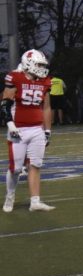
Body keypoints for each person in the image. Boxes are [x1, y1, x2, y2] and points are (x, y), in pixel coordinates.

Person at [3, 49, 54, 212]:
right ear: (28, 63)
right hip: (18, 129)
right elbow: (5, 104)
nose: (41, 68)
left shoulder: (45, 82)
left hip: (36, 129)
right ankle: (10, 196)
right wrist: (10, 124)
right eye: (39, 64)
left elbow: (46, 108)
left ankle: (35, 201)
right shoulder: (15, 77)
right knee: (16, 169)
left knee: (35, 165)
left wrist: (47, 131)